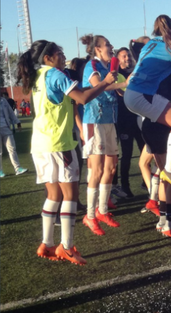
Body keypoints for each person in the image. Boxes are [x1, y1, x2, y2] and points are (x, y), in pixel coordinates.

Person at [16, 40, 116, 265]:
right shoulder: (55, 75)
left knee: (54, 195)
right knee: (70, 196)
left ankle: (47, 242)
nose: (63, 56)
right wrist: (106, 82)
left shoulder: (37, 77)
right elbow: (82, 98)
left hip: (40, 144)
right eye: (60, 53)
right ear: (48, 58)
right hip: (59, 143)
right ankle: (67, 247)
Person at [124, 15, 171, 240]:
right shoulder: (168, 47)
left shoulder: (150, 45)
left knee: (166, 175)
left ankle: (165, 222)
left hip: (146, 112)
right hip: (149, 103)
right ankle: (170, 223)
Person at [80, 34, 126, 236]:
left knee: (112, 166)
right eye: (107, 45)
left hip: (110, 120)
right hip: (95, 121)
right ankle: (89, 216)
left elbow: (116, 88)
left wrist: (125, 86)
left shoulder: (110, 68)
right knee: (96, 170)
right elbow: (99, 85)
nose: (111, 47)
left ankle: (102, 210)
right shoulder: (92, 67)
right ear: (97, 49)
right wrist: (120, 84)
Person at [114, 47, 145, 198]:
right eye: (124, 56)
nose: (127, 58)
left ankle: (146, 182)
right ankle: (125, 186)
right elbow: (121, 93)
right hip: (124, 120)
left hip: (139, 117)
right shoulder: (117, 75)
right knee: (126, 154)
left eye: (129, 56)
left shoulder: (136, 72)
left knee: (146, 150)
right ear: (118, 59)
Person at [0, 93, 28, 177]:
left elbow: (11, 113)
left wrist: (18, 122)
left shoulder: (3, 101)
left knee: (12, 148)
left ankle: (17, 168)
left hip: (6, 127)